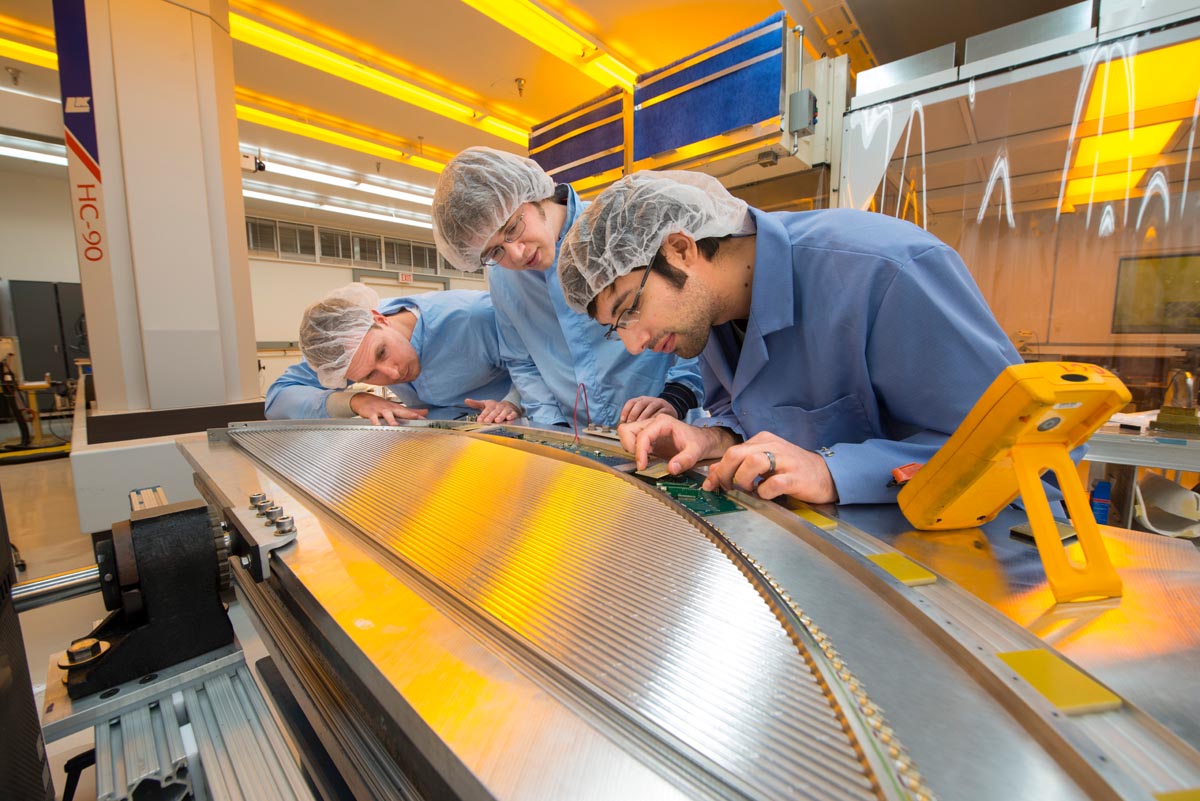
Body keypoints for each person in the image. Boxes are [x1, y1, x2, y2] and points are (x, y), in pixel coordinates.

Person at [557, 171, 1022, 505]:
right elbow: (749, 415)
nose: (635, 344)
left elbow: (1017, 442)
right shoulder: (708, 316)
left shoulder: (885, 271)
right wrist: (712, 438)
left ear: (681, 249)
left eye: (629, 310)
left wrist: (833, 471)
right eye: (616, 330)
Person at [431, 147, 703, 428]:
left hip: (668, 425)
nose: (516, 254)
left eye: (512, 229)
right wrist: (552, 427)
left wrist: (678, 395)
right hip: (578, 437)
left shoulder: (618, 227)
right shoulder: (503, 279)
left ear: (530, 196)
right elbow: (522, 360)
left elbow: (690, 308)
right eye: (495, 251)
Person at [266, 283, 520, 425]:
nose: (393, 372)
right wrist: (356, 401)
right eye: (370, 375)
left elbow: (541, 363)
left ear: (380, 318)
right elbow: (280, 397)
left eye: (382, 352)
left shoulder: (474, 316)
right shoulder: (342, 348)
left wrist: (513, 402)